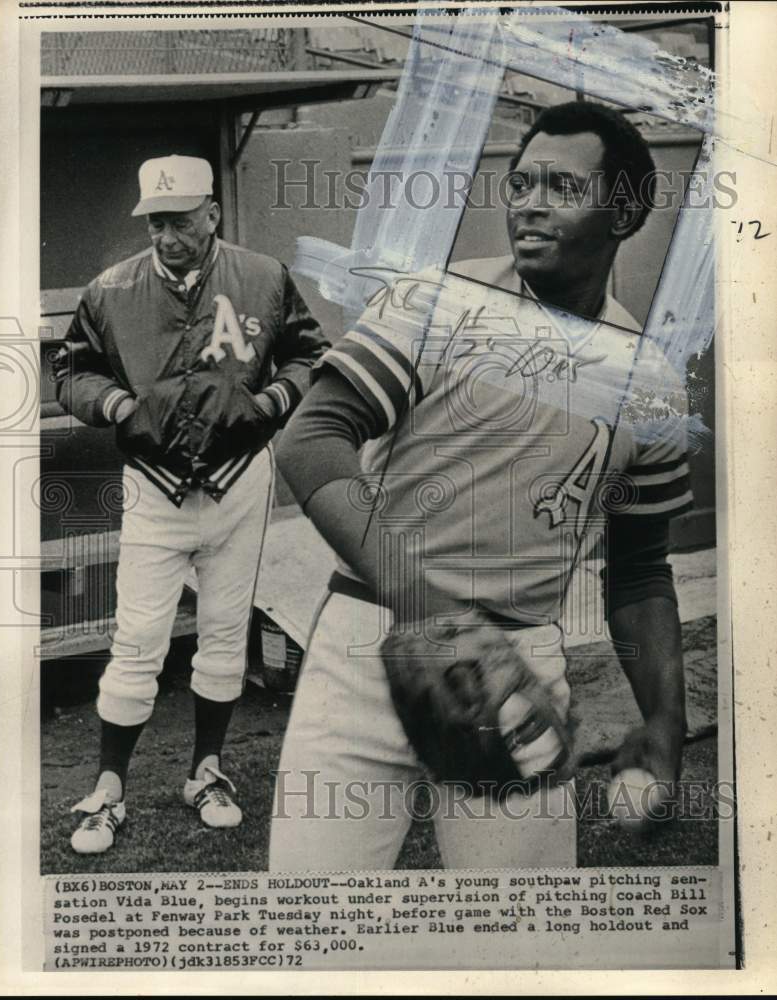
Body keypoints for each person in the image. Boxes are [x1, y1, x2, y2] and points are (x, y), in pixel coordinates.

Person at [268, 102, 693, 870]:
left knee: (523, 941)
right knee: (311, 927)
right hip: (372, 639)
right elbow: (309, 440)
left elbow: (639, 572)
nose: (527, 202)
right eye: (520, 182)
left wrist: (664, 718)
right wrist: (430, 608)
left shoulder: (649, 381)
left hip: (519, 661)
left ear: (623, 213)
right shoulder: (438, 304)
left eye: (559, 186)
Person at [54, 154, 328, 854]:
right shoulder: (112, 287)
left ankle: (206, 770)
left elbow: (307, 352)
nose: (166, 235)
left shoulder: (262, 276)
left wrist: (273, 397)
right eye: (155, 221)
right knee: (139, 637)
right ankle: (109, 786)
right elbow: (73, 370)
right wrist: (112, 401)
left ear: (212, 213)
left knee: (223, 631)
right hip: (156, 483)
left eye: (180, 219)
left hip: (239, 479)